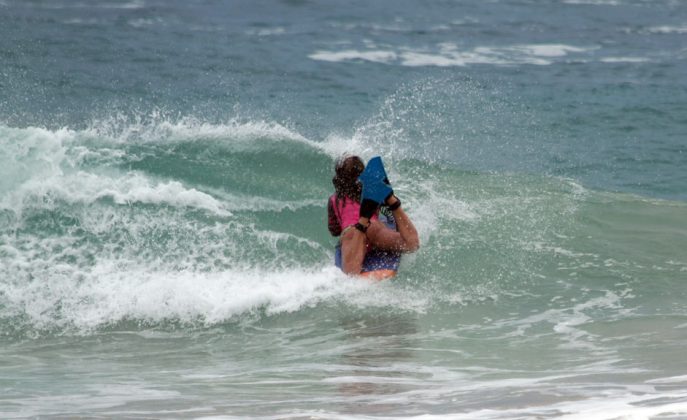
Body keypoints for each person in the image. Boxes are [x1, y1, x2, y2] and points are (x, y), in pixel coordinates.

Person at [327, 155, 420, 279]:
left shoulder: (334, 200)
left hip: (352, 233)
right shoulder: (371, 192)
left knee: (350, 274)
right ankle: (392, 201)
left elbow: (334, 230)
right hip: (373, 227)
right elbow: (387, 214)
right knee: (411, 245)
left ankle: (362, 222)